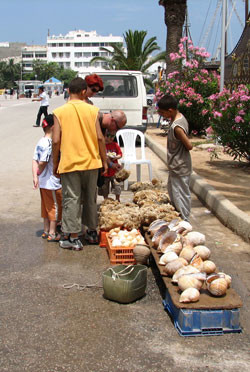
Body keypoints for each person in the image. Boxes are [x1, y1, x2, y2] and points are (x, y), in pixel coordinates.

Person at [52, 77, 108, 250]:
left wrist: (55, 164)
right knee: (91, 198)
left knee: (72, 199)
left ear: (68, 91)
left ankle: (73, 237)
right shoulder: (93, 111)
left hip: (70, 164)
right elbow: (100, 137)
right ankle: (92, 232)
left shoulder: (59, 112)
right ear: (84, 92)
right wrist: (104, 161)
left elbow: (55, 141)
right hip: (92, 163)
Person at [157, 94, 193, 221]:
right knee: (174, 193)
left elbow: (189, 145)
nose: (161, 115)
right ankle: (178, 219)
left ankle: (185, 221)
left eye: (162, 113)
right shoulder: (178, 118)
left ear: (170, 110)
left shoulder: (177, 127)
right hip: (176, 166)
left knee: (180, 195)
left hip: (180, 166)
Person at [32, 114, 62, 242]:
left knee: (45, 207)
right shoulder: (50, 144)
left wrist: (35, 176)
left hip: (43, 182)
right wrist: (40, 171)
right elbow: (43, 162)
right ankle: (52, 232)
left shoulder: (40, 141)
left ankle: (45, 230)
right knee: (55, 207)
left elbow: (35, 159)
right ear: (54, 127)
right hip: (51, 182)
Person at [98, 131, 122, 202]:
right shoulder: (102, 145)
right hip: (105, 170)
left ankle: (117, 199)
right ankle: (106, 199)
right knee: (105, 187)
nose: (110, 138)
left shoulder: (115, 145)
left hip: (114, 171)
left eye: (112, 136)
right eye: (107, 136)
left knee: (117, 185)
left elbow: (120, 154)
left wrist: (116, 157)